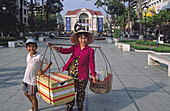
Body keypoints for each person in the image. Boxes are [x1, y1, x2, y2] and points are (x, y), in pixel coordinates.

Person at [49, 30, 96, 111]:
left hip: (83, 75)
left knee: (81, 93)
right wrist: (57, 48)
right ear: (78, 39)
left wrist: (93, 75)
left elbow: (91, 63)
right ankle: (69, 106)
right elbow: (66, 51)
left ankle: (80, 107)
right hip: (72, 73)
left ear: (88, 39)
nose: (83, 40)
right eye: (81, 38)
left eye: (85, 38)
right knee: (70, 91)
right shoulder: (75, 48)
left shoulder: (90, 50)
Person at [22, 38, 52, 111]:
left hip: (33, 81)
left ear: (36, 47)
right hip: (25, 79)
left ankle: (35, 109)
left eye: (33, 46)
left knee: (33, 96)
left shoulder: (39, 56)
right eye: (29, 46)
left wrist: (43, 71)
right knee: (26, 93)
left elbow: (49, 62)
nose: (31, 48)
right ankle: (33, 105)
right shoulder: (28, 55)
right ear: (26, 48)